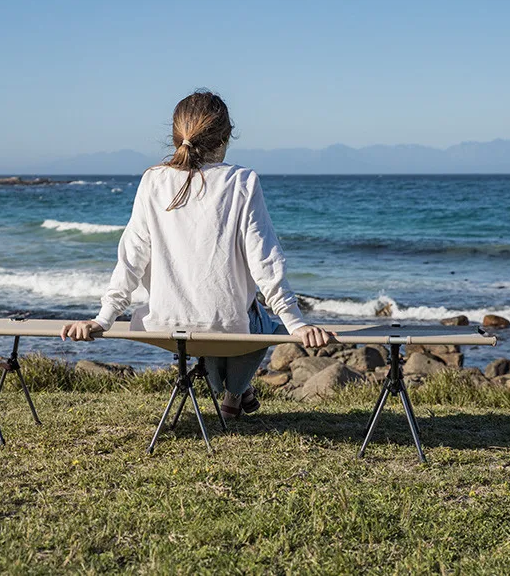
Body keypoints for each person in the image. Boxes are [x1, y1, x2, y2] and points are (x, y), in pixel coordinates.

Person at [61, 90, 333, 416]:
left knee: (220, 312)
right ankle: (234, 392)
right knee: (262, 322)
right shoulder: (242, 181)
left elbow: (131, 257)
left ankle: (239, 392)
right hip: (224, 326)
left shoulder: (152, 180)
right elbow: (265, 262)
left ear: (176, 137)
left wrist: (103, 319)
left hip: (164, 325)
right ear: (226, 137)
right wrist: (296, 323)